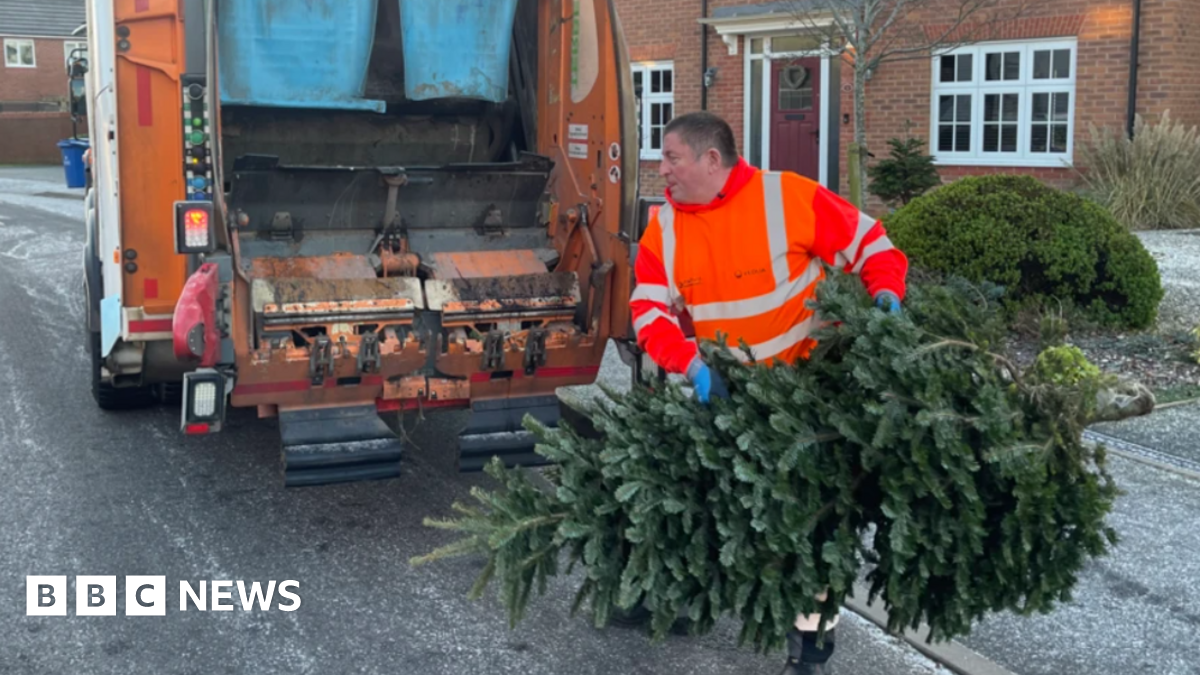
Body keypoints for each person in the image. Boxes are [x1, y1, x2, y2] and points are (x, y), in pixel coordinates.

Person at [629, 112, 909, 675]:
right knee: (702, 499)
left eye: (672, 158)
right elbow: (648, 309)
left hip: (811, 402)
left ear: (712, 160)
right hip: (730, 397)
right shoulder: (664, 227)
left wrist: (886, 297)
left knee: (811, 523)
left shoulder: (787, 198)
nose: (662, 170)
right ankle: (676, 599)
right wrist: (691, 366)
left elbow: (872, 245)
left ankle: (810, 648)